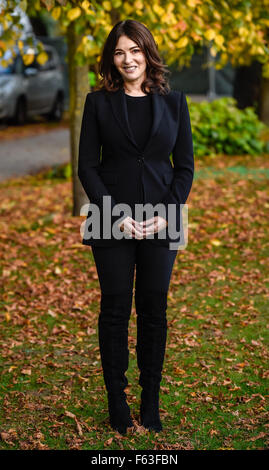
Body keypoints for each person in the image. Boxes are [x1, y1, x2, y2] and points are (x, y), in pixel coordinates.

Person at [78, 19, 194, 435]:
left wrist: (169, 211)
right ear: (112, 58)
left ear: (148, 54)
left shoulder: (175, 102)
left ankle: (150, 402)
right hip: (110, 220)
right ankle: (116, 403)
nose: (128, 59)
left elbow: (185, 168)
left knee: (153, 309)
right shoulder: (98, 103)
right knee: (114, 310)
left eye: (135, 50)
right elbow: (86, 167)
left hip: (164, 220)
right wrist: (113, 214)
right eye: (119, 52)